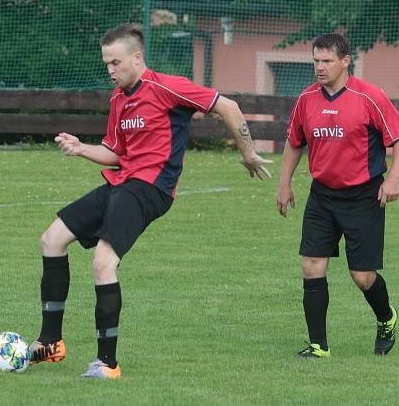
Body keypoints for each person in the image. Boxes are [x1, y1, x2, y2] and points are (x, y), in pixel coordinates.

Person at [27, 23, 273, 379]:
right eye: (106, 64)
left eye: (115, 63)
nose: (110, 70)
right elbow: (115, 152)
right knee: (51, 239)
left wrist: (247, 152)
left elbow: (228, 106)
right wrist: (81, 149)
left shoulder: (166, 86)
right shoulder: (118, 99)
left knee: (103, 262)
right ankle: (50, 344)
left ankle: (107, 364)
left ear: (136, 58)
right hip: (122, 181)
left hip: (150, 187)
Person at [276, 33, 399, 358]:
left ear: (345, 61)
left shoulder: (369, 97)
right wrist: (284, 182)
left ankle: (386, 319)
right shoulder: (306, 99)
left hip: (364, 196)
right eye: (315, 61)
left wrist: (393, 178)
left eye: (326, 61)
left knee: (362, 276)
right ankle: (318, 346)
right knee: (311, 265)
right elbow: (295, 141)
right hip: (322, 196)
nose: (319, 68)